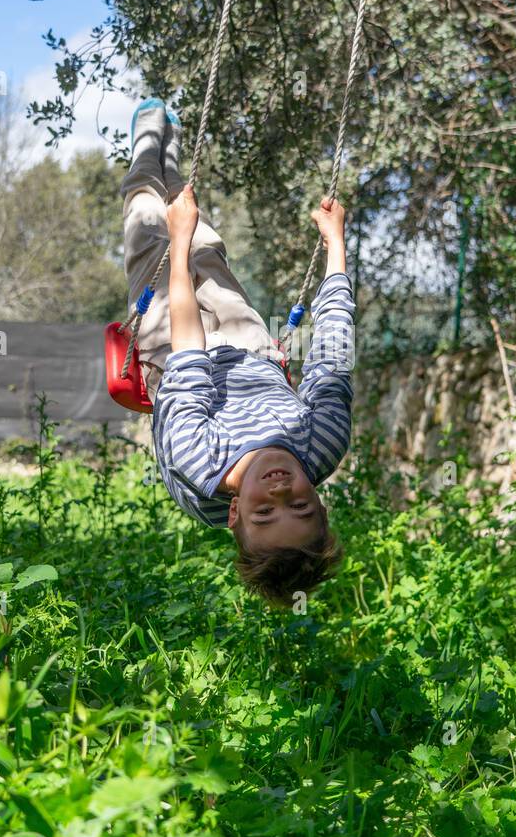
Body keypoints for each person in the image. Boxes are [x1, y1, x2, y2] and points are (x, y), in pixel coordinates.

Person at [121, 99, 355, 606]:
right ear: (319, 499)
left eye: (265, 513)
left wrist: (174, 241)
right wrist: (336, 245)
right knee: (206, 242)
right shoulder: (322, 444)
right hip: (250, 352)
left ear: (234, 514)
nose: (279, 492)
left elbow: (187, 350)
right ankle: (174, 156)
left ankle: (146, 146)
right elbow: (333, 352)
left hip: (171, 354)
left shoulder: (198, 459)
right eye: (301, 506)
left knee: (149, 221)